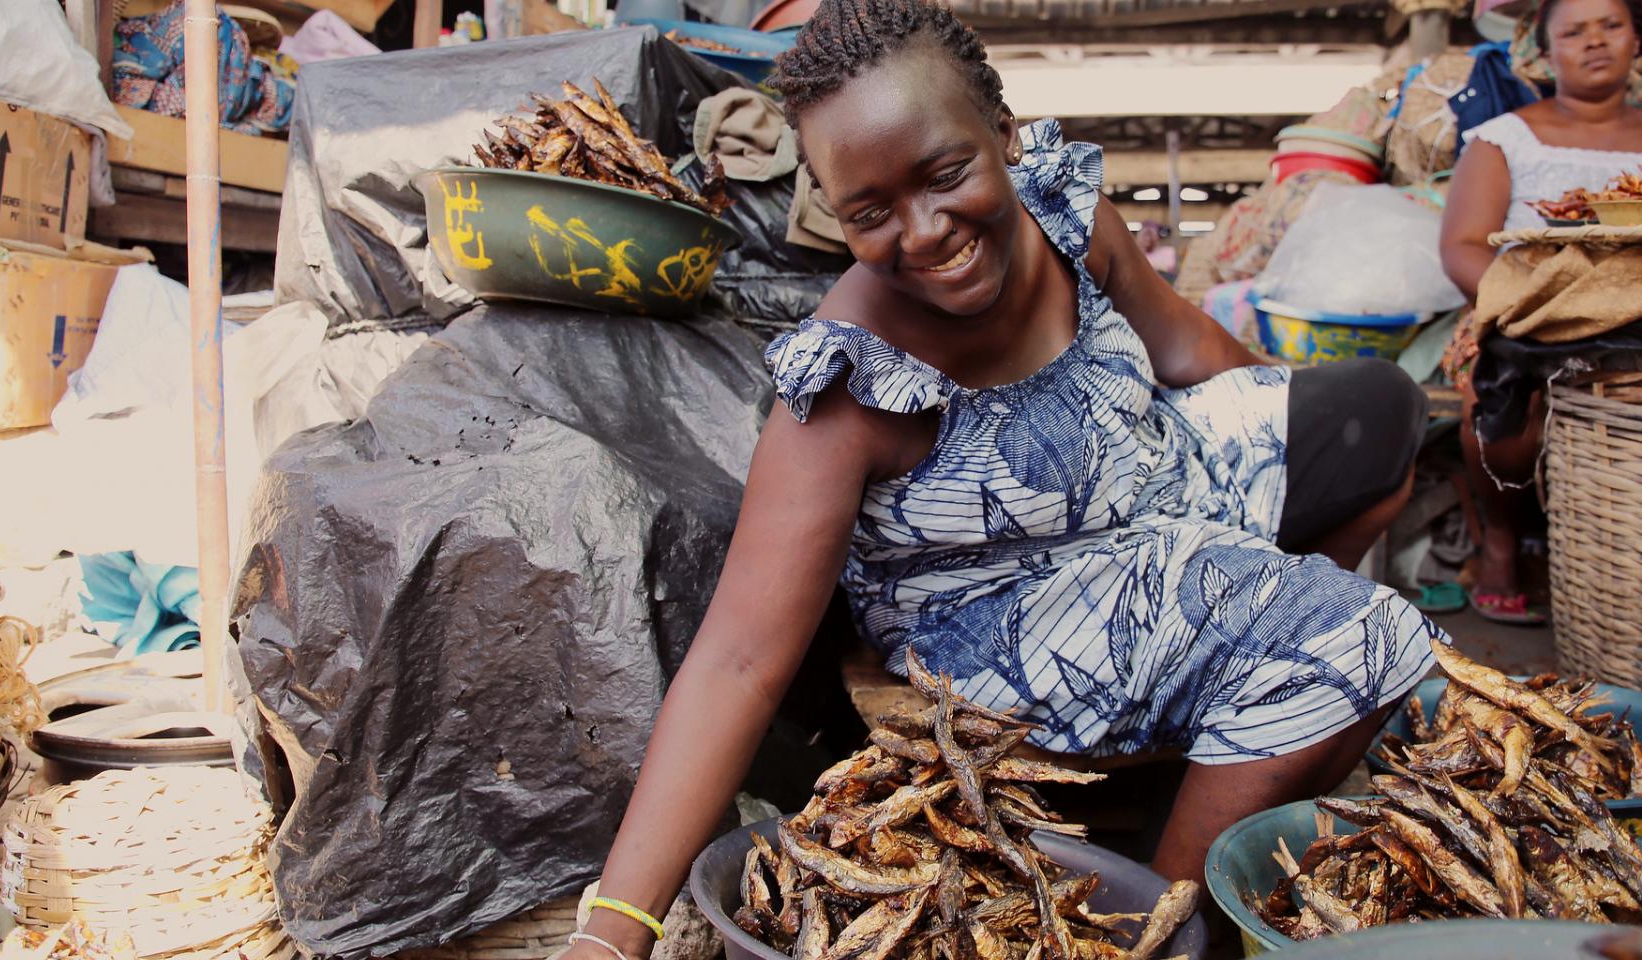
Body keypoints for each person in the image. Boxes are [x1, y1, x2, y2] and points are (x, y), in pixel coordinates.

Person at [561, 2, 1443, 957]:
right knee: (1361, 637)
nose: (925, 232)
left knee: (1379, 414)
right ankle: (1160, 931)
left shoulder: (1066, 221)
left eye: (947, 175)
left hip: (1143, 478)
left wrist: (1278, 459)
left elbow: (1191, 352)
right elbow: (736, 663)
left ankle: (1242, 707)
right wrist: (613, 934)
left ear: (1004, 134)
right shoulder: (853, 384)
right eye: (871, 213)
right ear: (833, 211)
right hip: (1004, 610)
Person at [1438, 0, 1642, 625]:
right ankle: (1502, 538)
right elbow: (1462, 247)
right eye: (1574, 31)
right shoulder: (1502, 139)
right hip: (1518, 315)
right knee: (1498, 401)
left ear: (1639, 39)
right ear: (1546, 50)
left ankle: (1640, 558)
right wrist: (1537, 310)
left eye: (1611, 26)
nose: (1594, 41)